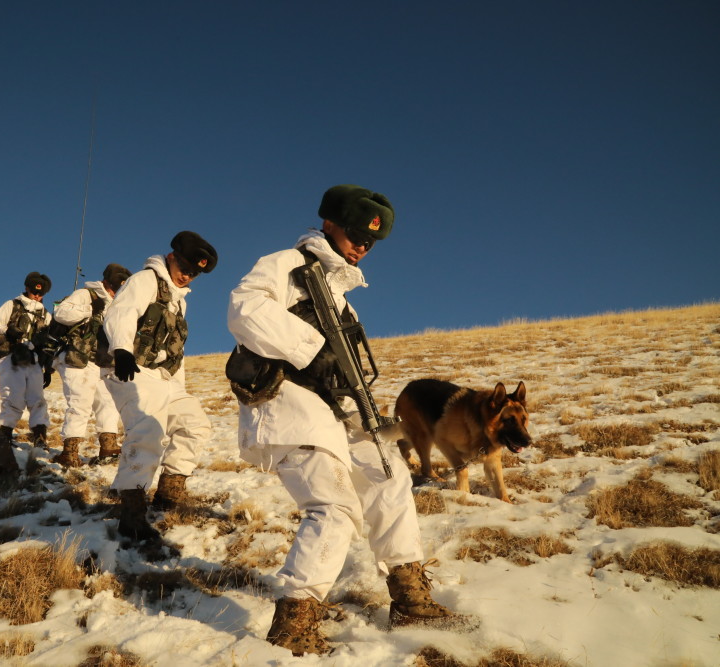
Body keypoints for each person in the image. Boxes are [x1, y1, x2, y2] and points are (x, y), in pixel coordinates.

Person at [227, 185, 473, 656]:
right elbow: (244, 309)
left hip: (337, 411)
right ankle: (294, 625)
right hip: (288, 405)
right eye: (357, 234)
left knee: (389, 476)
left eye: (371, 240)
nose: (363, 245)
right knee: (335, 506)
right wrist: (309, 348)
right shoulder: (285, 266)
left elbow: (347, 370)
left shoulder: (343, 298)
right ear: (330, 224)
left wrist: (380, 423)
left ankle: (409, 598)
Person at [99, 232, 216, 542]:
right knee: (147, 432)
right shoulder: (145, 280)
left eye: (196, 272)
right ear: (173, 256)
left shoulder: (179, 302)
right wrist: (122, 349)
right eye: (187, 266)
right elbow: (121, 312)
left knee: (196, 425)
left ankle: (168, 494)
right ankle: (132, 516)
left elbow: (174, 351)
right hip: (130, 369)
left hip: (163, 377)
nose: (189, 275)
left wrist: (180, 388)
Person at [51, 263, 132, 467]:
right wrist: (88, 310)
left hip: (102, 362)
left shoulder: (118, 304)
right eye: (114, 287)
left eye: (119, 288)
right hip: (78, 359)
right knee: (80, 403)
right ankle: (69, 453)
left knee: (108, 402)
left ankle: (108, 447)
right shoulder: (86, 295)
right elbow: (60, 313)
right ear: (105, 282)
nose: (116, 292)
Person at [0, 271, 53, 448]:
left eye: (41, 293)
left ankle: (39, 438)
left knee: (38, 400)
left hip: (34, 361)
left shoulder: (46, 315)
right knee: (13, 398)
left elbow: (50, 343)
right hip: (11, 357)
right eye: (34, 291)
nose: (37, 296)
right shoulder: (12, 305)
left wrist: (48, 368)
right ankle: (4, 436)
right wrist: (8, 331)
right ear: (26, 288)